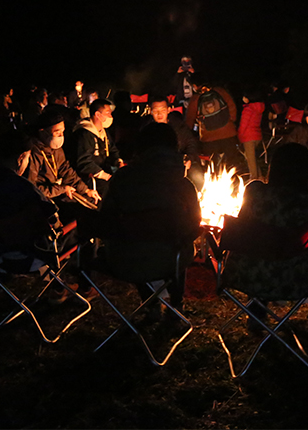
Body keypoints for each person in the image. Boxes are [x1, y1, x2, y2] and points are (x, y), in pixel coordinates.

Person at [96, 123, 202, 313]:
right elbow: (194, 226)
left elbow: (105, 218)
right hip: (170, 260)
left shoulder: (122, 179)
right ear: (173, 148)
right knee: (182, 243)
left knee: (137, 242)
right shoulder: (184, 185)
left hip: (124, 260)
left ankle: (151, 303)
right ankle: (176, 303)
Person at [221, 143, 308, 331]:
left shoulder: (255, 191)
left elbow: (243, 229)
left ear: (274, 167)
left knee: (262, 250)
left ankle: (257, 309)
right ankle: (260, 308)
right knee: (276, 252)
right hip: (293, 278)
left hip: (247, 273)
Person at [0, 130, 64, 275]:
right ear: (21, 158)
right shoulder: (24, 187)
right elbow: (51, 219)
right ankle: (59, 286)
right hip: (26, 255)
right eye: (28, 158)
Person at [26, 110, 100, 224]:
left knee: (91, 203)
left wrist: (85, 190)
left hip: (56, 192)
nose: (61, 136)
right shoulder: (32, 153)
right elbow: (31, 189)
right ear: (43, 132)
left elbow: (66, 170)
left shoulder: (56, 149)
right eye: (57, 132)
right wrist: (62, 189)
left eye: (63, 132)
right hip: (42, 200)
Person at [183, 79, 240, 169]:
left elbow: (190, 119)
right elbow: (232, 107)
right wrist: (231, 121)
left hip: (208, 138)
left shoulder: (196, 98)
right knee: (232, 164)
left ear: (195, 85)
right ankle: (234, 181)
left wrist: (188, 134)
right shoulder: (220, 91)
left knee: (212, 167)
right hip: (228, 133)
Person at [73, 98, 123, 197]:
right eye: (108, 113)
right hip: (90, 178)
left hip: (105, 173)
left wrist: (118, 161)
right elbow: (84, 162)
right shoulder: (84, 134)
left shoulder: (103, 132)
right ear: (98, 115)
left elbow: (112, 150)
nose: (110, 116)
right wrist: (104, 175)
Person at [238, 87, 266, 181]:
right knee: (253, 158)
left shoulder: (248, 109)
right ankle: (260, 177)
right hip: (257, 136)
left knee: (250, 160)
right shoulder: (259, 108)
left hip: (248, 136)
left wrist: (240, 136)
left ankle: (253, 179)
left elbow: (243, 124)